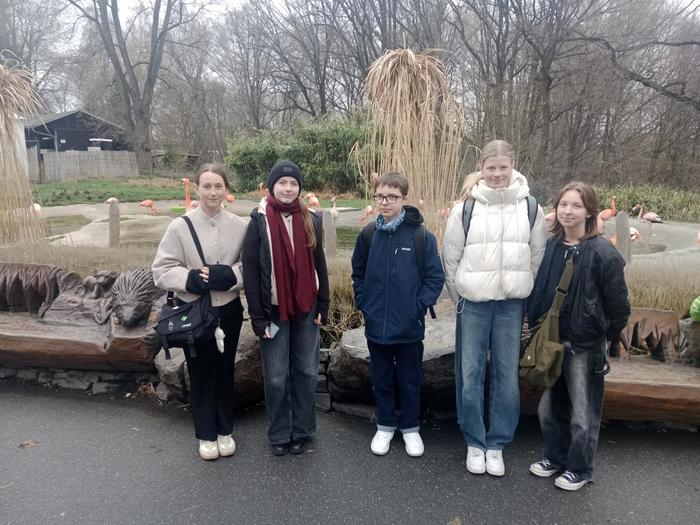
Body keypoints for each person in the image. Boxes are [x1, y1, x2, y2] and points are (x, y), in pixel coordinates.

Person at [442, 140, 547, 476]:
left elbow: (537, 256)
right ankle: (474, 441)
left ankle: (498, 442)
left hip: (510, 306)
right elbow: (450, 259)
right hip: (473, 304)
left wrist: (522, 291)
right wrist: (461, 297)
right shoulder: (465, 209)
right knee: (470, 374)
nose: (497, 174)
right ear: (482, 168)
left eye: (503, 167)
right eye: (491, 167)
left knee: (506, 376)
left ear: (513, 166)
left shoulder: (530, 208)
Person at [527, 181, 630, 491]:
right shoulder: (553, 246)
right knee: (549, 408)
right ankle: (555, 457)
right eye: (563, 204)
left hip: (584, 344)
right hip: (553, 340)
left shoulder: (603, 253)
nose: (568, 211)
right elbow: (542, 288)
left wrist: (601, 334)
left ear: (589, 211)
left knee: (583, 412)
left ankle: (580, 468)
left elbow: (618, 305)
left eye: (576, 205)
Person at [152, 164, 247, 461]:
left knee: (225, 370)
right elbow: (161, 270)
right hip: (195, 310)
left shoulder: (241, 226)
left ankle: (225, 429)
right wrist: (189, 279)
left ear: (226, 189)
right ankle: (206, 433)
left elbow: (252, 266)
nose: (212, 192)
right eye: (206, 186)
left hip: (228, 310)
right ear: (197, 189)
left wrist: (231, 276)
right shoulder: (179, 227)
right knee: (201, 371)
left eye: (218, 186)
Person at [351, 172, 445, 458]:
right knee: (381, 377)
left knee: (409, 379)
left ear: (404, 199)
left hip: (409, 325)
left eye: (392, 196)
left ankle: (411, 427)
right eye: (380, 196)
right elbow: (358, 273)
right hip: (376, 324)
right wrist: (364, 303)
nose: (385, 202)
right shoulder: (369, 235)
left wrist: (418, 306)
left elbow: (435, 277)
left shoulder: (420, 236)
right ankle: (385, 424)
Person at [242, 159, 329, 456]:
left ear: (299, 188)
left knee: (306, 370)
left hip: (306, 308)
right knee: (276, 376)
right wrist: (257, 316)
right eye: (282, 183)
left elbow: (320, 264)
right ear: (272, 186)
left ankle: (303, 428)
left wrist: (324, 303)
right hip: (273, 311)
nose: (289, 188)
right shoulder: (259, 221)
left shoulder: (311, 219)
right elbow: (251, 272)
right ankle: (279, 431)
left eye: (294, 183)